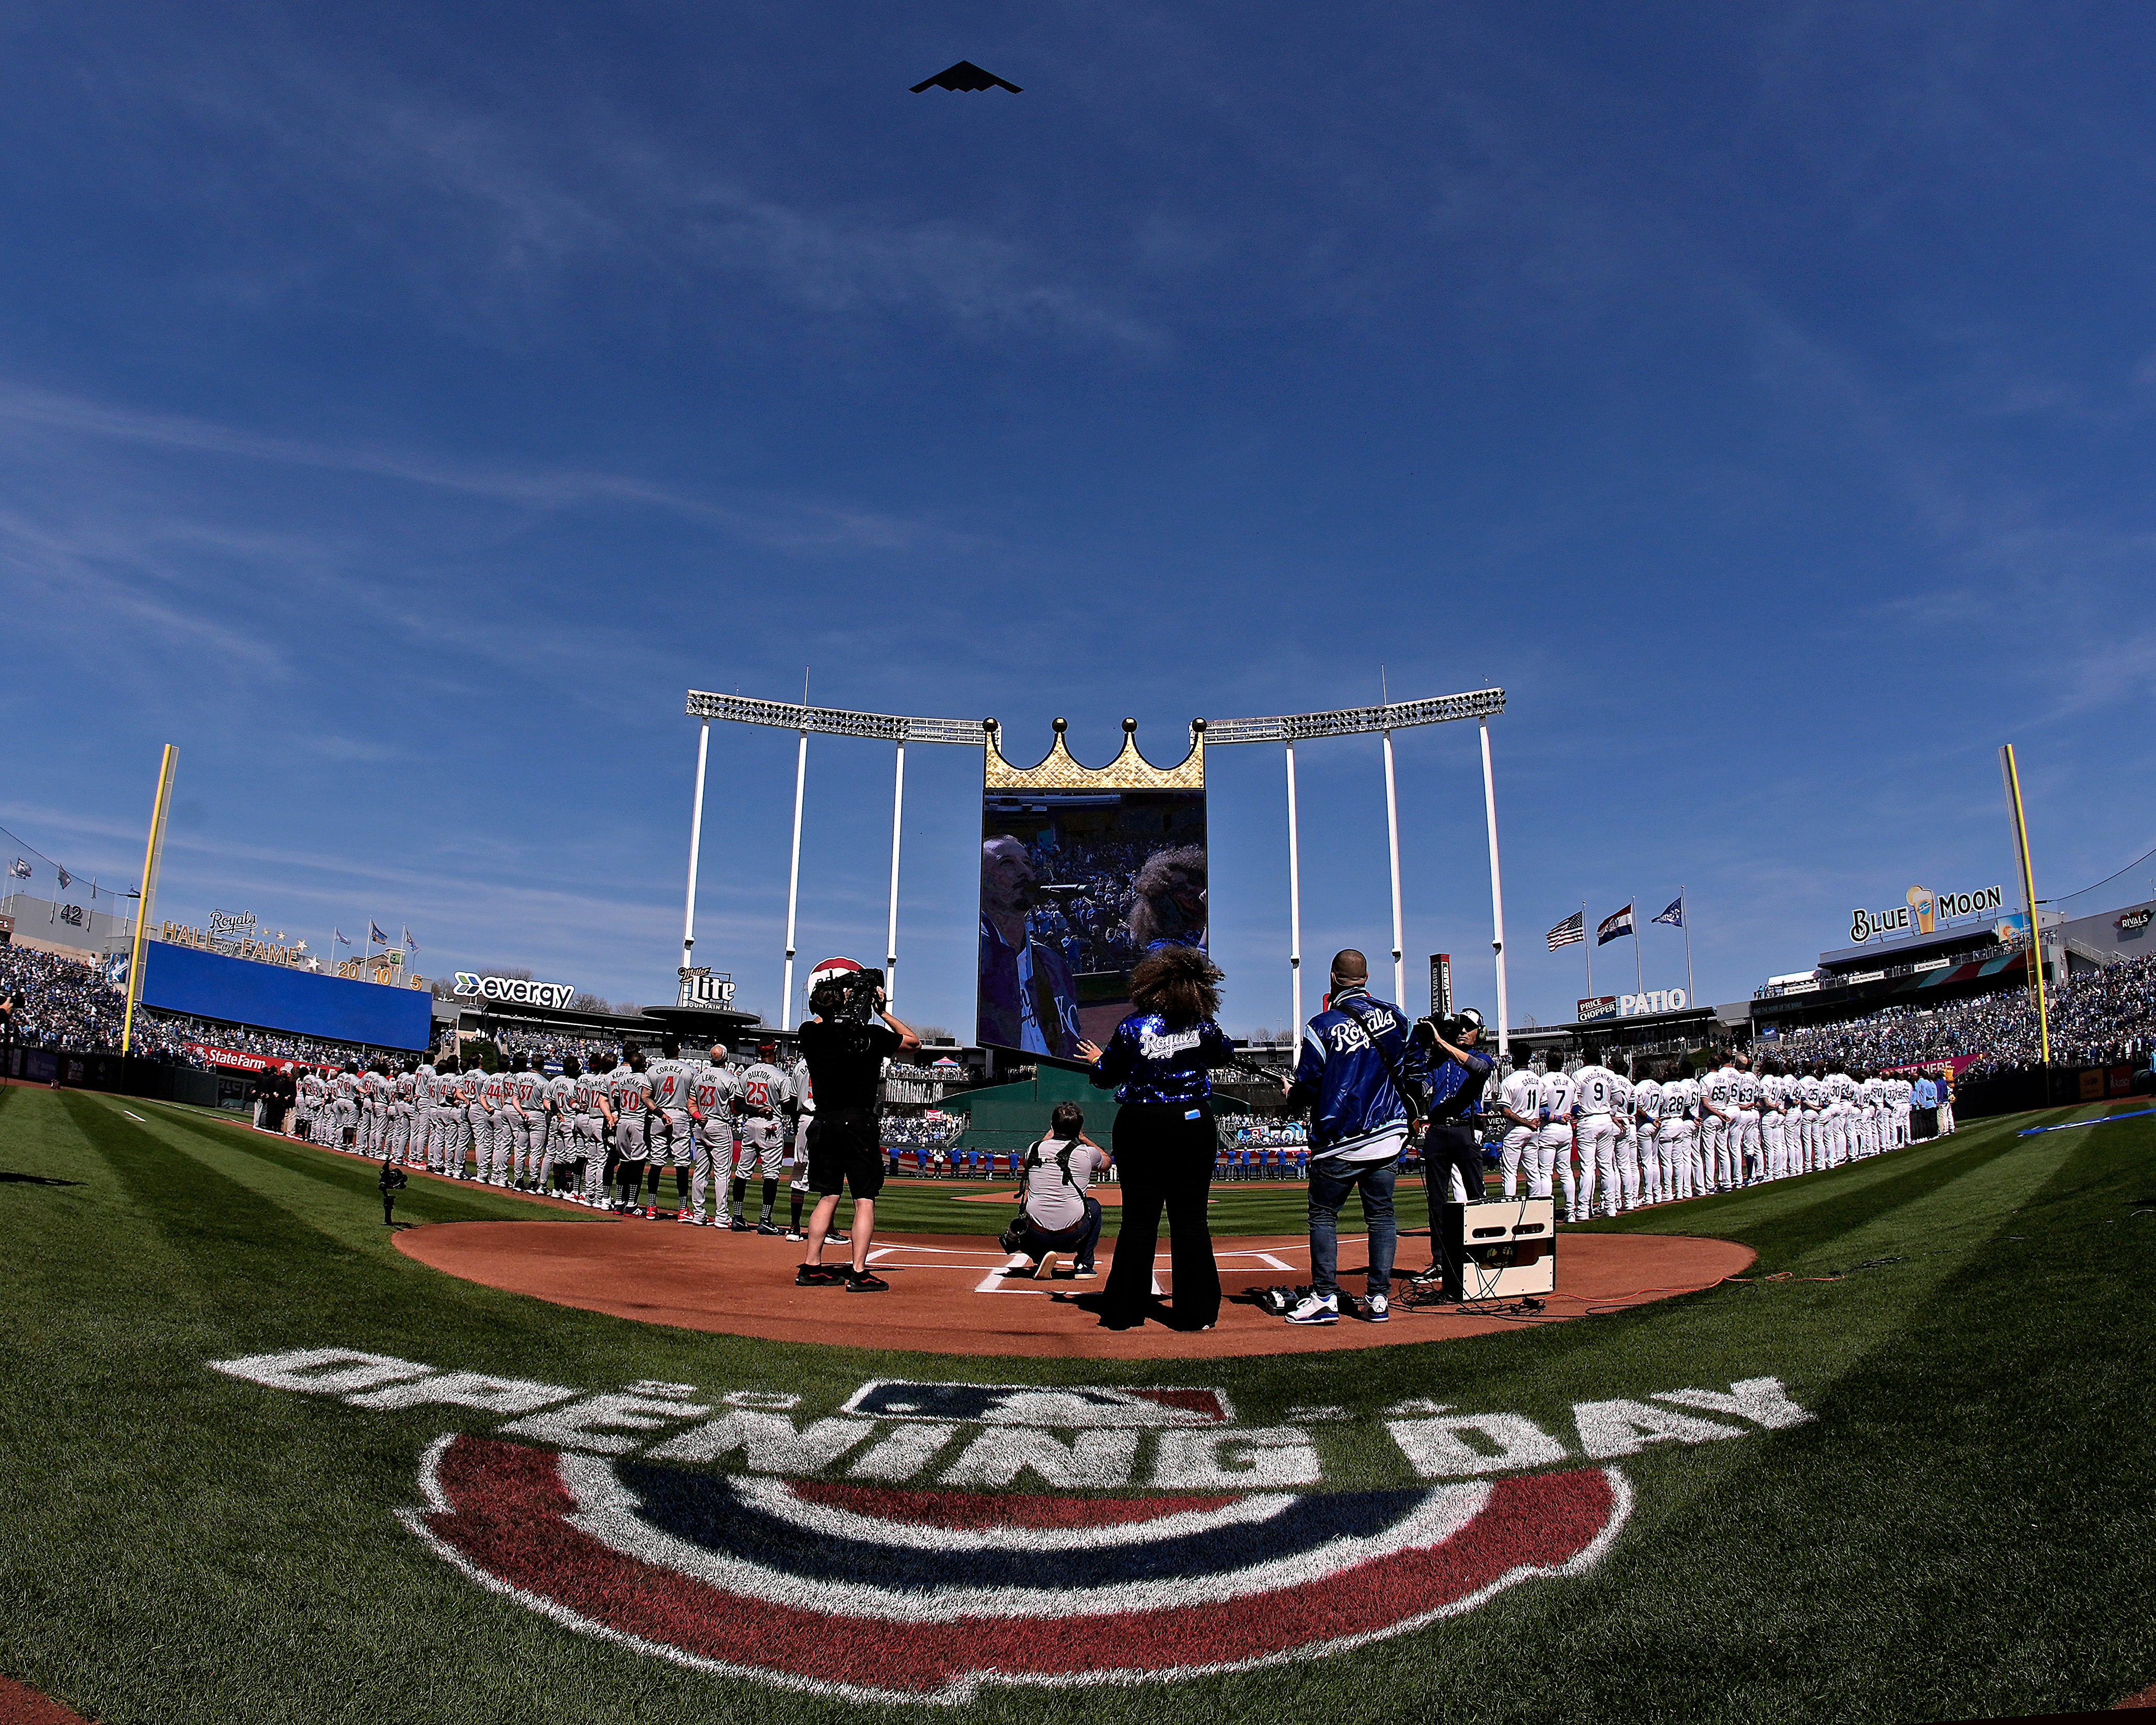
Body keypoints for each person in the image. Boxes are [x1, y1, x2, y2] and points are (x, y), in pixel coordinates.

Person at [1079, 945, 1233, 1331]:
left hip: (1140, 1123)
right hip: (1192, 1122)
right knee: (1191, 1220)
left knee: (1138, 1220)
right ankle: (1195, 1312)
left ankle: (1124, 1311)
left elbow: (1104, 1077)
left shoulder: (1133, 1027)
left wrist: (1099, 1059)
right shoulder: (1202, 1024)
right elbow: (1223, 1055)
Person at [1277, 949, 1427, 1325]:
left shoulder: (1322, 1025)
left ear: (1332, 978)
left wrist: (1290, 1093)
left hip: (1339, 1138)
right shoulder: (1397, 1016)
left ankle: (1325, 1297)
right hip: (1388, 1134)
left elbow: (1309, 1086)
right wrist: (1408, 1106)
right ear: (1366, 977)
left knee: (1324, 1215)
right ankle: (1378, 1299)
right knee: (1381, 1217)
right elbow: (1417, 1068)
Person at [796, 973, 921, 1291]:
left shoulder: (809, 1033)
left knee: (828, 1195)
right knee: (864, 1199)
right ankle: (859, 1272)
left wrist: (842, 998)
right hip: (858, 1122)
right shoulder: (872, 1035)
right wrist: (882, 1011)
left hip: (824, 1121)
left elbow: (825, 1018)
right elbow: (914, 1043)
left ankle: (811, 1267)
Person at [1409, 1007, 1495, 1291]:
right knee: (1436, 1200)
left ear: (1478, 1032)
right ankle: (1440, 1261)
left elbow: (1478, 1069)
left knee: (1476, 1194)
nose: (1462, 1031)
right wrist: (1420, 1048)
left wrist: (1442, 1044)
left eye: (1468, 1026)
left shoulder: (1482, 1058)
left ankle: (1484, 1254)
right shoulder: (1438, 1061)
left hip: (1464, 1129)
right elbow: (1418, 1087)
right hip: (1438, 1131)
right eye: (1459, 1026)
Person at [977, 835, 1082, 1058]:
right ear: (980, 881)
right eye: (1007, 863)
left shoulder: (1052, 963)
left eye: (1027, 863)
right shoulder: (972, 963)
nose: (1025, 872)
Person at [998, 1102, 1110, 1280]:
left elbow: (1029, 1161)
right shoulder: (1086, 1153)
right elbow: (1106, 1161)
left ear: (1053, 1125)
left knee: (1028, 1216)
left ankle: (1041, 1256)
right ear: (1078, 1128)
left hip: (1035, 1236)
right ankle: (1084, 1265)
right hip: (1071, 1237)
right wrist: (1083, 1138)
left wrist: (1050, 1135)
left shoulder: (1033, 1149)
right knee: (1094, 1206)